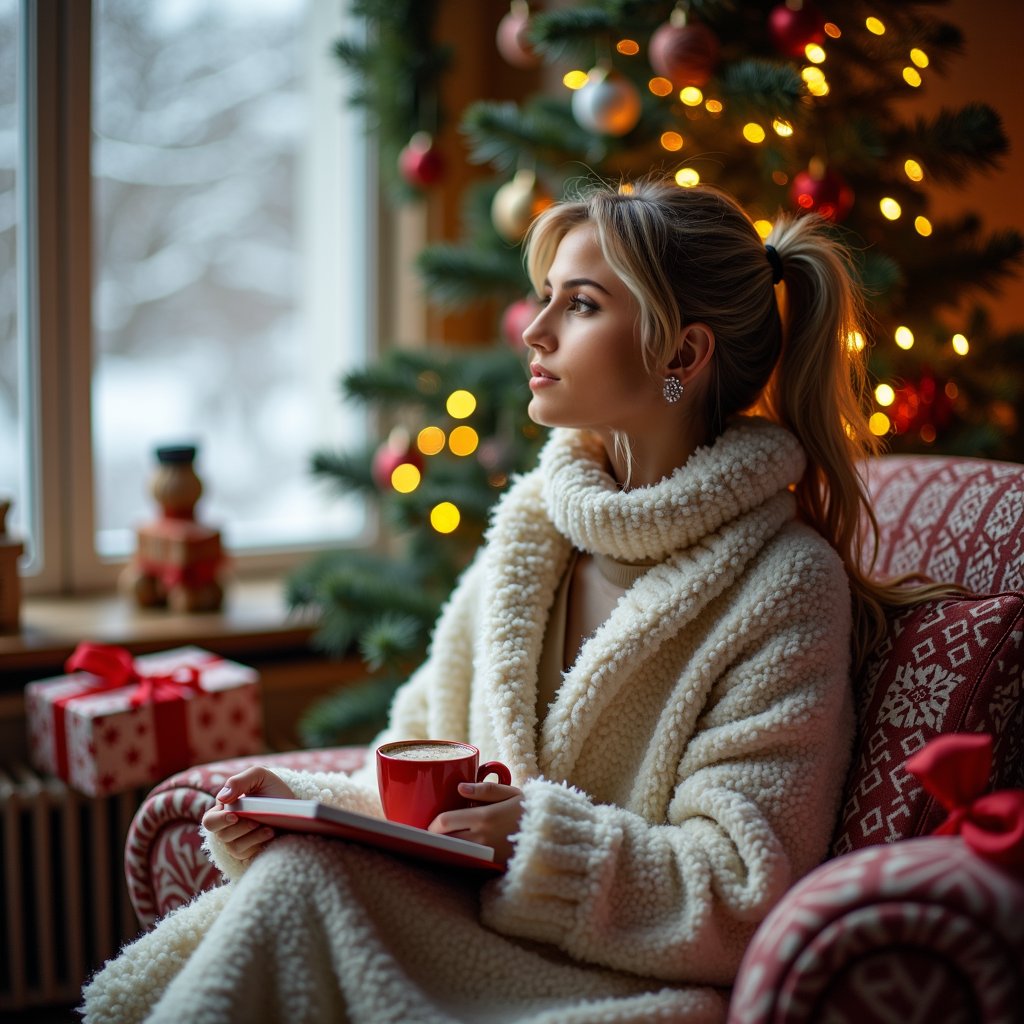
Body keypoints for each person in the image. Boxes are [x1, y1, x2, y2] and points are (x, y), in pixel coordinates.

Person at [81, 178, 929, 1024]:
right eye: (545, 298)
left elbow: (740, 889)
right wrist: (302, 803)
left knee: (304, 895)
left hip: (612, 982)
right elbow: (419, 759)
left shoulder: (782, 583)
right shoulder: (530, 531)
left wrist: (536, 843)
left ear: (682, 354)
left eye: (583, 305)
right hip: (465, 936)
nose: (536, 328)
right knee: (303, 872)